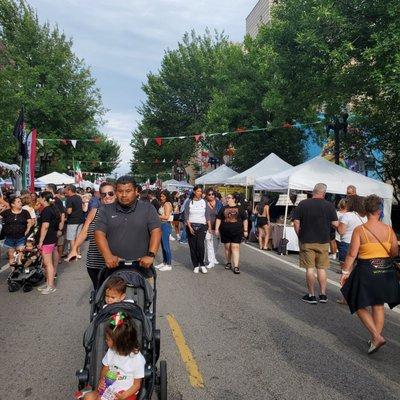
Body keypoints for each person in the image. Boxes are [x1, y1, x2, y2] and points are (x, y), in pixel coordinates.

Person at [340, 195, 400, 354]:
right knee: (378, 305)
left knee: (356, 301)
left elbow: (352, 254)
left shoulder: (361, 230)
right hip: (385, 269)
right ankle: (375, 338)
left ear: (365, 211)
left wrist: (345, 272)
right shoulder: (388, 230)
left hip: (366, 269)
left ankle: (376, 336)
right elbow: (394, 251)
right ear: (379, 210)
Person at [94, 176, 161, 279]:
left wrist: (151, 255)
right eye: (120, 191)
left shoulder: (148, 208)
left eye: (128, 191)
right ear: (116, 192)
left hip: (142, 268)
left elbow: (156, 231)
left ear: (136, 191)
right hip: (113, 268)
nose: (124, 195)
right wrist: (107, 255)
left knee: (146, 294)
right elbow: (99, 233)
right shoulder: (105, 210)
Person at [293, 183, 339, 304]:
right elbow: (335, 224)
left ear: (313, 191)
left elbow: (296, 222)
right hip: (323, 241)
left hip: (307, 240)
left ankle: (311, 295)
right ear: (324, 193)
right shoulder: (329, 206)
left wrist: (299, 235)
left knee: (309, 269)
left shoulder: (303, 204)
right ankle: (323, 295)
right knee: (322, 269)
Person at [84, 313, 145, 400]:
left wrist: (123, 395)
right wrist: (102, 380)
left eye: (108, 339)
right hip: (109, 389)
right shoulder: (111, 351)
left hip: (126, 393)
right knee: (88, 397)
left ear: (119, 342)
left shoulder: (137, 359)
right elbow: (105, 368)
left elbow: (136, 385)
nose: (105, 340)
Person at [67, 182, 116, 290]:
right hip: (94, 262)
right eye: (104, 194)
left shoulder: (123, 213)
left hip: (115, 262)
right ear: (100, 196)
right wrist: (74, 249)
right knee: (99, 292)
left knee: (113, 295)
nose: (107, 196)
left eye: (110, 193)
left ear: (115, 194)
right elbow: (84, 232)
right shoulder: (94, 212)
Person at [215, 193, 248, 274]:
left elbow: (245, 219)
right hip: (225, 231)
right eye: (226, 198)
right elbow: (218, 219)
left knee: (235, 247)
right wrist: (216, 229)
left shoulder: (240, 208)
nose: (227, 199)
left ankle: (236, 266)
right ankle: (228, 262)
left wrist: (246, 230)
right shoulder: (223, 208)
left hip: (237, 231)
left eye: (229, 198)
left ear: (234, 199)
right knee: (227, 247)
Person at [36, 191, 61, 295]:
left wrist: (41, 241)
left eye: (40, 198)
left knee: (47, 263)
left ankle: (50, 286)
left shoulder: (46, 210)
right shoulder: (53, 209)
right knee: (49, 263)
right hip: (52, 238)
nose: (38, 199)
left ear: (43, 199)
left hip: (47, 240)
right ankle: (48, 283)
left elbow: (45, 226)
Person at [184, 185, 211, 274]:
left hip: (202, 226)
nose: (200, 193)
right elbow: (186, 215)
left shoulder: (204, 202)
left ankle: (202, 264)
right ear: (194, 191)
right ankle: (195, 265)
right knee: (193, 247)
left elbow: (207, 215)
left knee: (200, 246)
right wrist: (189, 227)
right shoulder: (189, 202)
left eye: (201, 191)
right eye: (198, 191)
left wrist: (209, 227)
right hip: (191, 226)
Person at [0, 196, 34, 265]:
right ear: (12, 204)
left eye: (20, 201)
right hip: (9, 238)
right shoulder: (6, 212)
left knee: (19, 257)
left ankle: (19, 270)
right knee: (11, 257)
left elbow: (29, 222)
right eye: (18, 202)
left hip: (21, 238)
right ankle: (13, 273)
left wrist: (27, 231)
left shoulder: (25, 212)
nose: (21, 203)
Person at [45, 183, 66, 272]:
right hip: (50, 228)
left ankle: (54, 269)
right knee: (53, 248)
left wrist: (61, 225)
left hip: (55, 227)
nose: (44, 190)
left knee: (55, 247)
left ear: (50, 190)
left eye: (46, 189)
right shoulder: (48, 199)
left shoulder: (57, 200)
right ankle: (51, 269)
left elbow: (62, 213)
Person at [155, 190, 173, 272]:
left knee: (166, 246)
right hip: (162, 225)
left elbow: (166, 217)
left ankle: (169, 264)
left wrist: (156, 216)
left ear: (166, 196)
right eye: (161, 196)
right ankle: (164, 262)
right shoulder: (163, 204)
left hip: (165, 225)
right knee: (163, 245)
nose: (161, 198)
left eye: (163, 196)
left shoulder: (167, 204)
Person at [65, 184, 85, 258]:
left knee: (72, 238)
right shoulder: (79, 197)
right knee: (78, 237)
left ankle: (73, 253)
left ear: (69, 190)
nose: (65, 190)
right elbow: (83, 207)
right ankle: (78, 252)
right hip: (80, 219)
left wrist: (64, 210)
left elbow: (69, 211)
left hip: (73, 220)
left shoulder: (70, 199)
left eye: (66, 189)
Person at [204, 188, 222, 268]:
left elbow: (221, 214)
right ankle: (210, 261)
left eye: (213, 194)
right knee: (209, 243)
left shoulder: (219, 203)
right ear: (206, 195)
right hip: (207, 226)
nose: (211, 196)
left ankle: (213, 257)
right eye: (209, 194)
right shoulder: (204, 203)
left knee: (216, 243)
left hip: (217, 226)